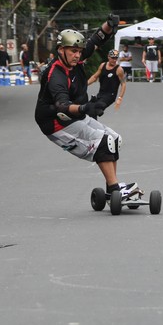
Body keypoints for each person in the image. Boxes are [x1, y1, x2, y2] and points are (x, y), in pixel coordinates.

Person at [35, 17, 138, 200]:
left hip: (74, 116)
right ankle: (115, 191)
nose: (77, 55)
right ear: (61, 50)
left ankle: (111, 189)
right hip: (56, 122)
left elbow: (96, 39)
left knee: (114, 139)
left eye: (79, 52)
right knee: (101, 142)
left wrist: (110, 25)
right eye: (73, 51)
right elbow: (62, 105)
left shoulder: (75, 59)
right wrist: (85, 108)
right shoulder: (56, 75)